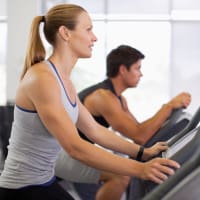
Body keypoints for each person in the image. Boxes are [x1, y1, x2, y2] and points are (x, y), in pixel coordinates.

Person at [0, 4, 180, 200]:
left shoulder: (63, 79)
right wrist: (141, 169)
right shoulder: (43, 78)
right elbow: (74, 147)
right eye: (88, 30)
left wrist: (142, 152)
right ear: (65, 33)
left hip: (43, 181)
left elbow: (94, 129)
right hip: (21, 189)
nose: (94, 37)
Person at [68, 45, 192, 199]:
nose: (141, 74)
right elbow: (140, 136)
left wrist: (168, 112)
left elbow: (140, 132)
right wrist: (169, 106)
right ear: (122, 70)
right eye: (137, 68)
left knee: (125, 171)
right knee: (120, 176)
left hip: (77, 151)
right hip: (66, 153)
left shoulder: (119, 99)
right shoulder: (103, 97)